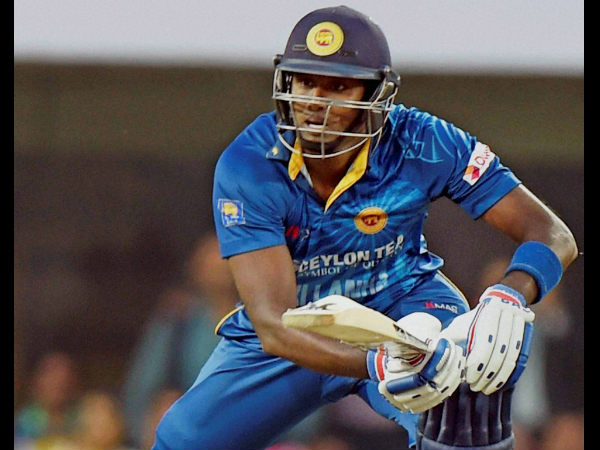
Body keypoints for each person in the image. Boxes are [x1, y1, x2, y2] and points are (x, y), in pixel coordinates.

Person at [152, 6, 578, 450]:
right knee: (181, 441)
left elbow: (553, 234)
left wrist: (509, 293)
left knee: (461, 419)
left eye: (338, 86)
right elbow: (274, 324)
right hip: (301, 325)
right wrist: (377, 363)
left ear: (377, 94)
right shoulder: (250, 163)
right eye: (305, 82)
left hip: (404, 309)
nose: (315, 101)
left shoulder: (425, 141)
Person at [121, 232, 239, 447]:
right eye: (210, 258)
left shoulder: (262, 321)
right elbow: (142, 388)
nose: (219, 265)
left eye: (226, 256)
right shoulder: (177, 321)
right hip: (187, 429)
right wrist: (148, 425)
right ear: (196, 267)